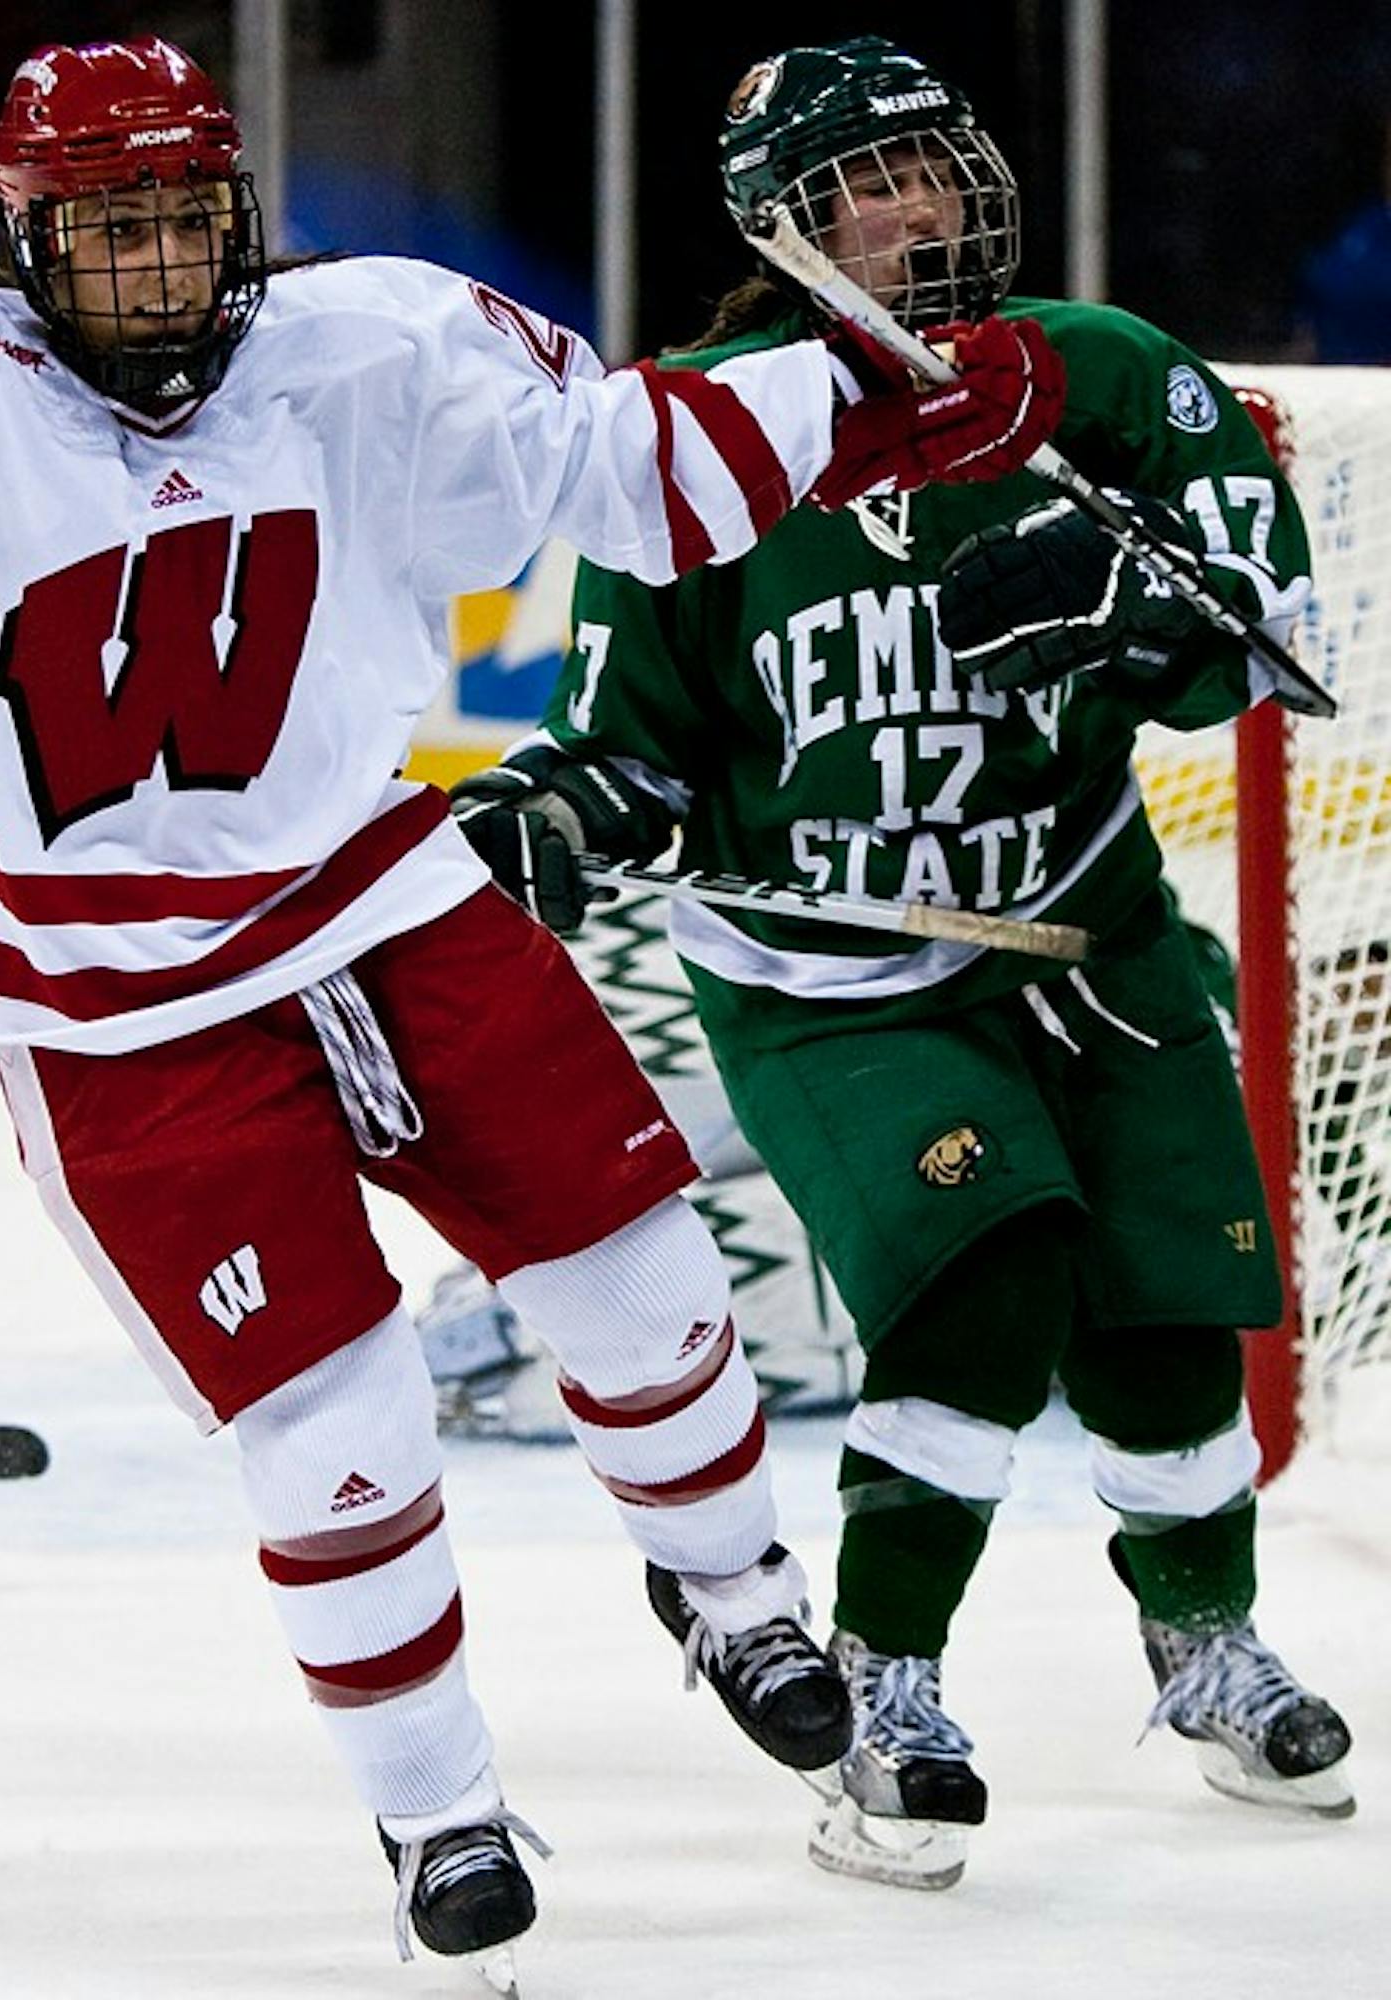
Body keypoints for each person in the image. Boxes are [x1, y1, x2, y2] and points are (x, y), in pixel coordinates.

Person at [0, 13, 1065, 1965]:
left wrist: (864, 400)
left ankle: (731, 1597)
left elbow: (612, 460)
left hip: (385, 905)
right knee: (341, 1424)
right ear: (23, 239)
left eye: (188, 221)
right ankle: (440, 1807)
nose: (157, 268)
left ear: (240, 215)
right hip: (120, 1008)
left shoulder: (369, 344)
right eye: (108, 233)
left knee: (645, 1271)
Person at [448, 36, 1356, 1893]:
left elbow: (1265, 643)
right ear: (787, 229)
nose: (922, 207)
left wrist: (1121, 607)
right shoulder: (696, 433)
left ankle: (1205, 1647)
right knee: (983, 1283)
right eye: (872, 182)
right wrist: (564, 814)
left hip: (1088, 929)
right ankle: (886, 1682)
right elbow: (632, 744)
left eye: (936, 167)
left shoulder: (1097, 376)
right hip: (827, 971)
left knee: (1174, 1298)